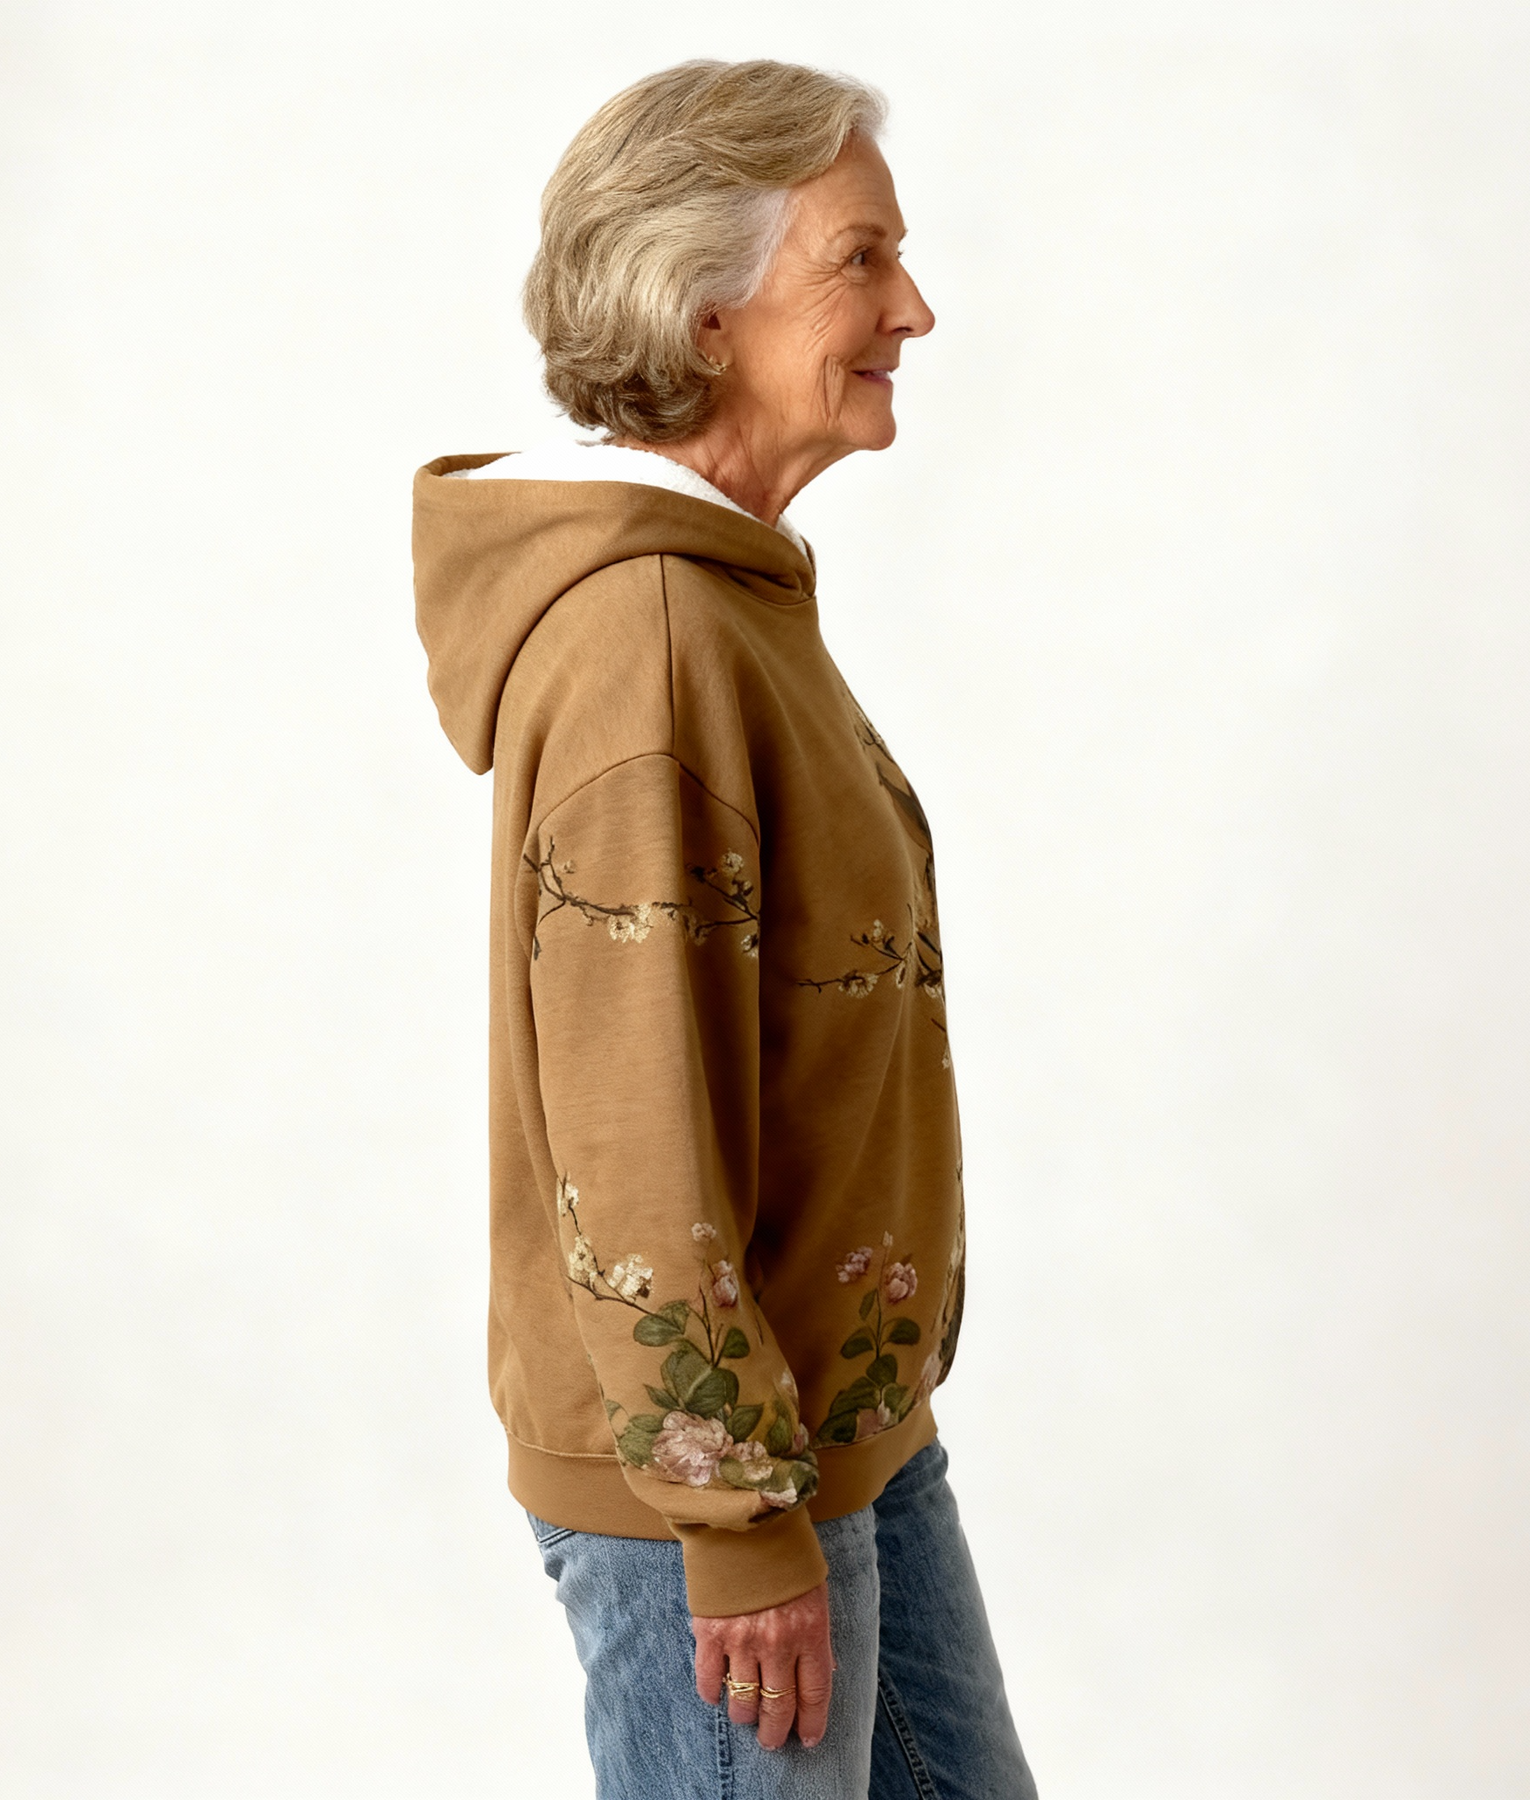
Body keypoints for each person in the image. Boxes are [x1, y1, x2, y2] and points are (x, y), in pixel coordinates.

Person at [412, 59, 1036, 1799]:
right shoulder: (654, 643)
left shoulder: (730, 604)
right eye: (860, 260)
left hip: (835, 1435)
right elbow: (635, 1129)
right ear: (704, 313)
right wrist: (737, 1520)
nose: (913, 309)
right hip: (724, 1486)